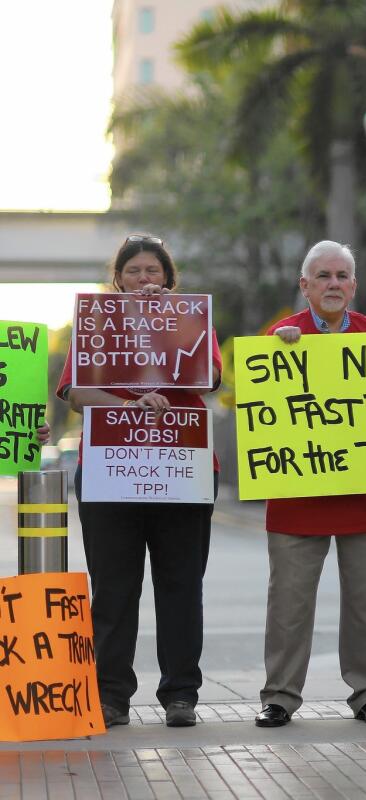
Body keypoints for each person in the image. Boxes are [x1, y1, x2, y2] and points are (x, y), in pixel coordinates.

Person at [57, 234, 221, 729]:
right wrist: (126, 406)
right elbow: (74, 391)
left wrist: (167, 324)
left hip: (183, 467)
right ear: (118, 279)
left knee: (181, 585)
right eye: (135, 272)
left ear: (168, 280)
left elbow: (210, 378)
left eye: (154, 272)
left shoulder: (192, 319)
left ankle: (180, 695)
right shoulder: (96, 324)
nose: (145, 280)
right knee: (113, 588)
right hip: (112, 469)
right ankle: (110, 696)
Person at [254, 241, 366, 729]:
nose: (334, 284)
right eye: (323, 276)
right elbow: (258, 413)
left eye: (342, 275)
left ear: (355, 286)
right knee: (289, 606)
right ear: (305, 286)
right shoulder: (277, 340)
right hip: (298, 503)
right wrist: (276, 353)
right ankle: (279, 695)